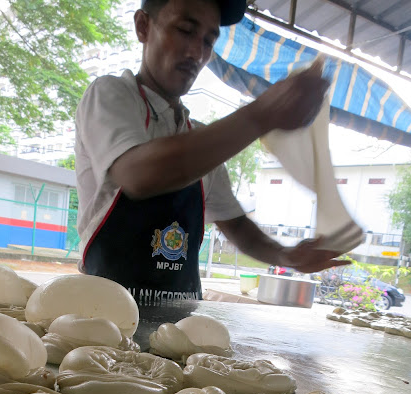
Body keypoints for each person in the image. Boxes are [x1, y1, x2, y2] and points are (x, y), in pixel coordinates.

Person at [75, 0, 348, 305]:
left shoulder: (199, 139)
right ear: (143, 26)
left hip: (179, 326)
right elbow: (137, 174)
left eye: (208, 40)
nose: (196, 52)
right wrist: (261, 115)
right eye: (184, 30)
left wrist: (288, 255)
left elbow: (238, 228)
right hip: (103, 320)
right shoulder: (111, 95)